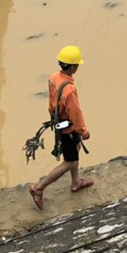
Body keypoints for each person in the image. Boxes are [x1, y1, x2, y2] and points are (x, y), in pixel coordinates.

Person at [29, 45, 93, 209]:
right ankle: (38, 188)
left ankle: (76, 182)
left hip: (58, 122)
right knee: (69, 162)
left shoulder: (54, 77)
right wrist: (83, 131)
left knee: (75, 149)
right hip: (68, 128)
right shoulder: (69, 90)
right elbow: (76, 113)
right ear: (72, 66)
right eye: (77, 64)